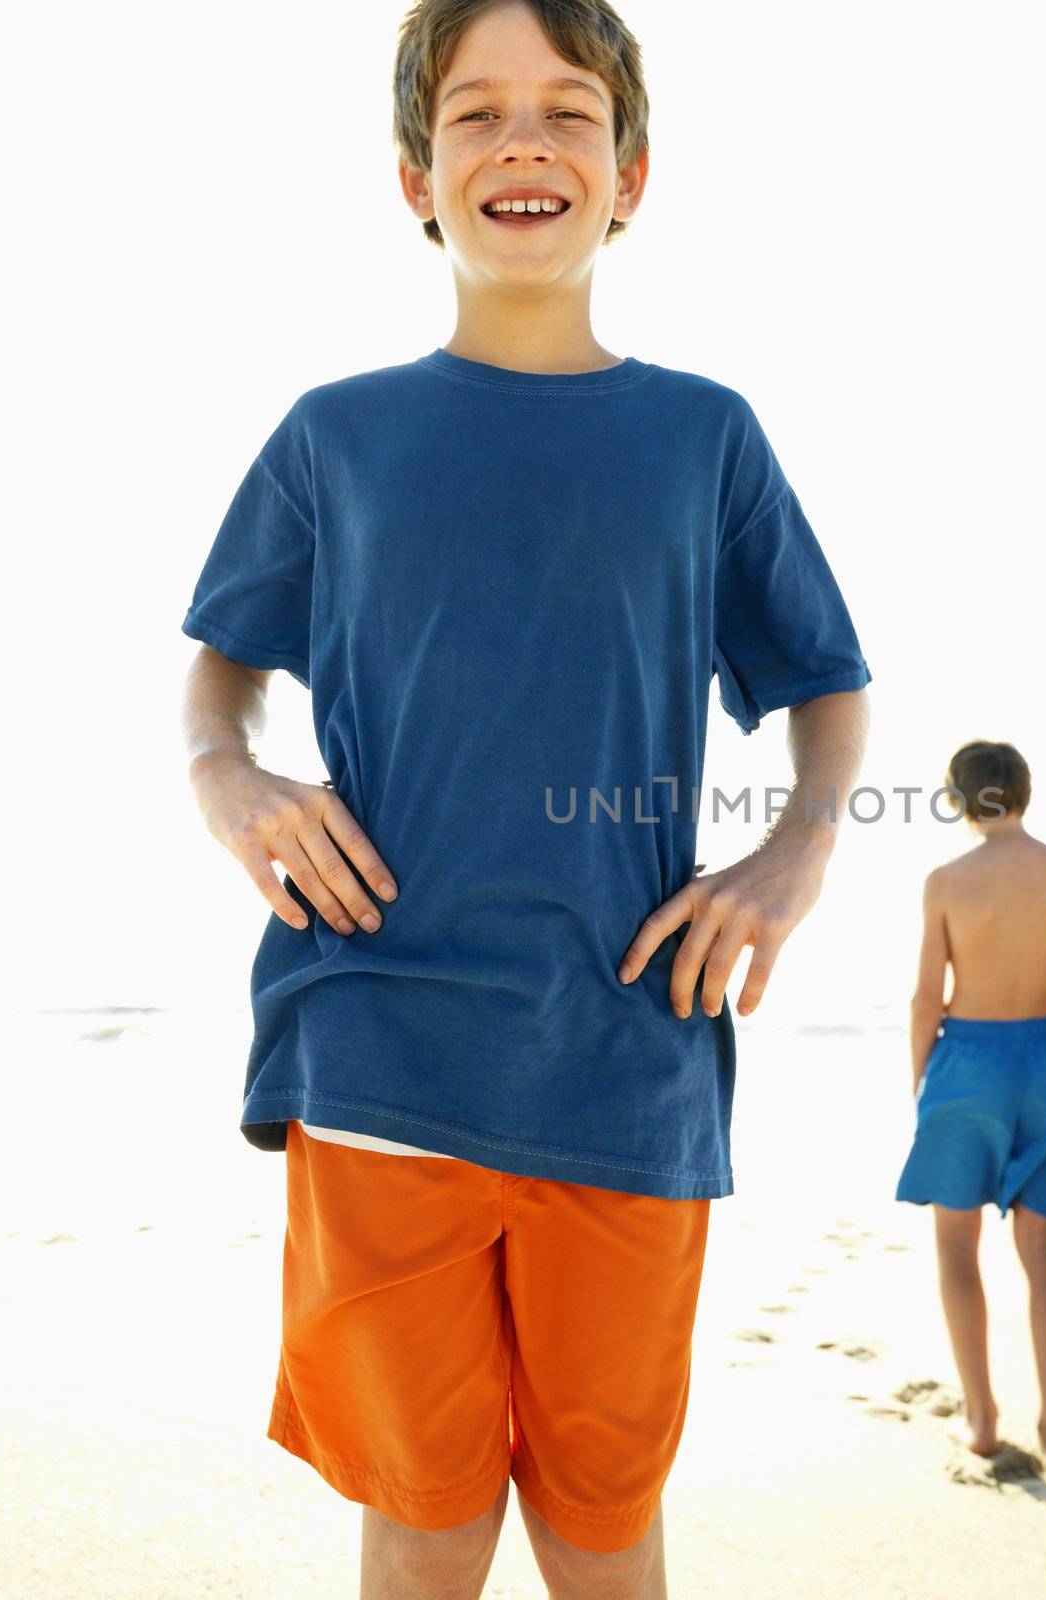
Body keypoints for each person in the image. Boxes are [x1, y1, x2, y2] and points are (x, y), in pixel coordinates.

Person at [178, 2, 873, 1595]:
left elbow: (829, 688)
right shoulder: (334, 436)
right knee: (425, 1514)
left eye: (568, 111)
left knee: (599, 1519)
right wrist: (231, 777)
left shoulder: (704, 436)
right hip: (377, 1028)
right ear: (415, 178)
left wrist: (790, 860)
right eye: (477, 114)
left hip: (629, 1050)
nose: (524, 142)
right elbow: (221, 675)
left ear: (632, 175)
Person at [896, 740, 1046, 1474]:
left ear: (958, 799)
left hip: (968, 1065)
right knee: (1044, 1255)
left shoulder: (946, 881)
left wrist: (921, 1082)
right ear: (1026, 793)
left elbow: (923, 1000)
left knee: (955, 1246)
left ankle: (981, 1420)